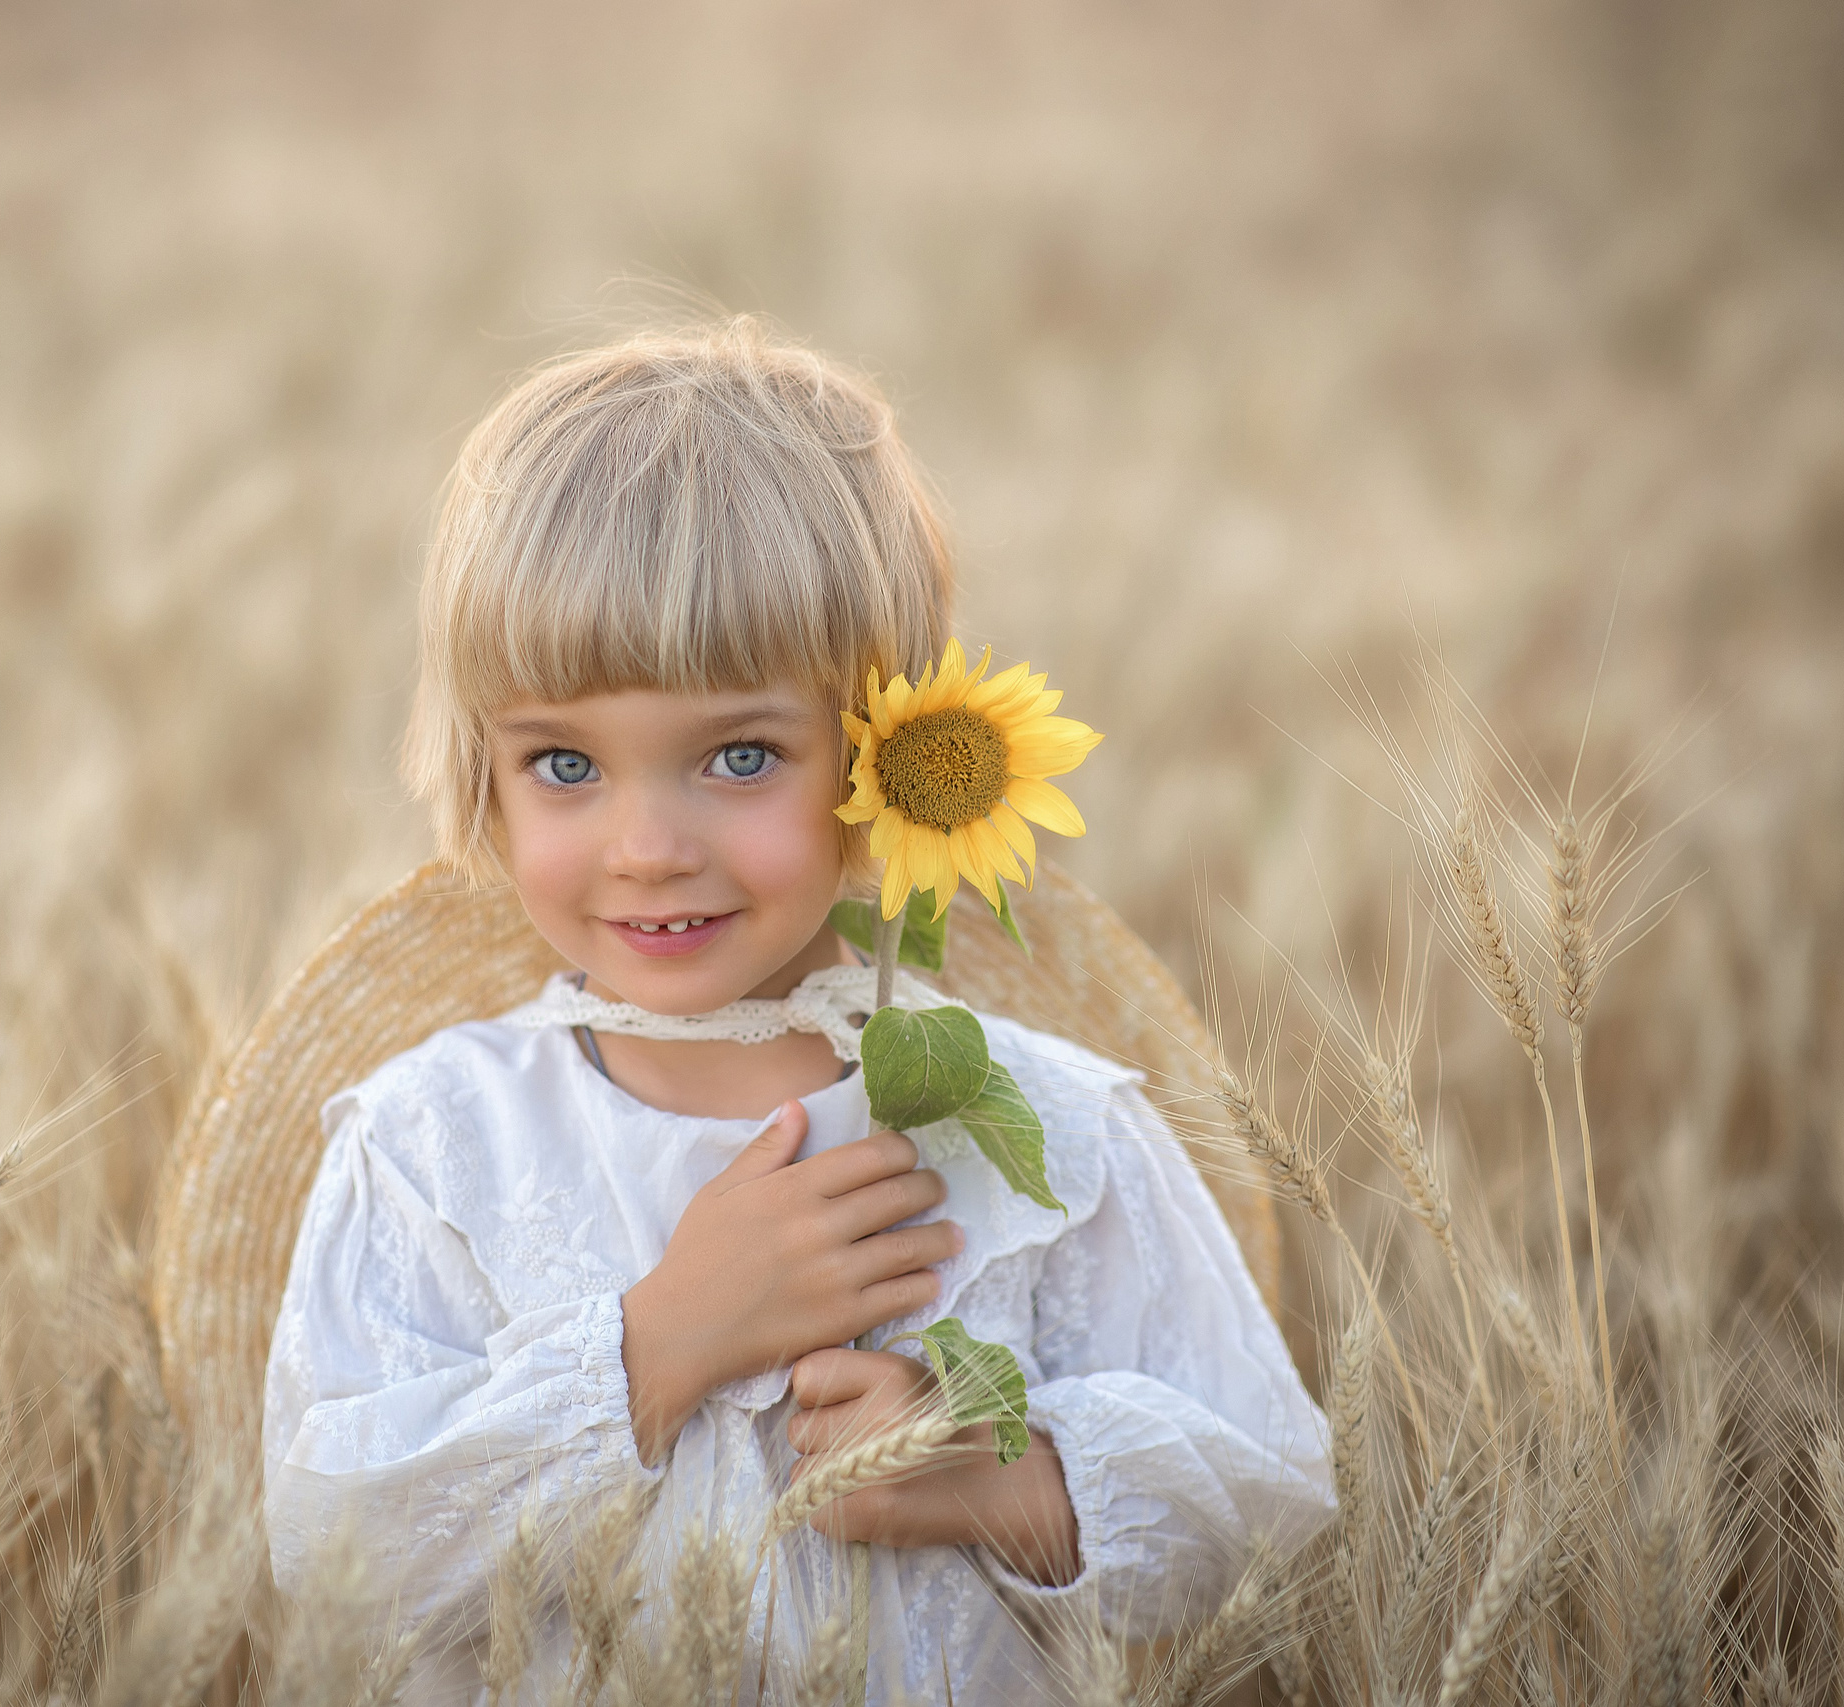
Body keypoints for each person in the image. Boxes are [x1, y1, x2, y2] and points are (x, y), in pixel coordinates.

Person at [262, 318, 1332, 1702]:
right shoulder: (433, 1148)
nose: (648, 845)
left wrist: (1007, 1478)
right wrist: (656, 1350)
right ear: (483, 771)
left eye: (741, 754)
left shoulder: (1041, 1134)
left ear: (884, 749)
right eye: (566, 764)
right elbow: (331, 1557)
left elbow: (1267, 1506)